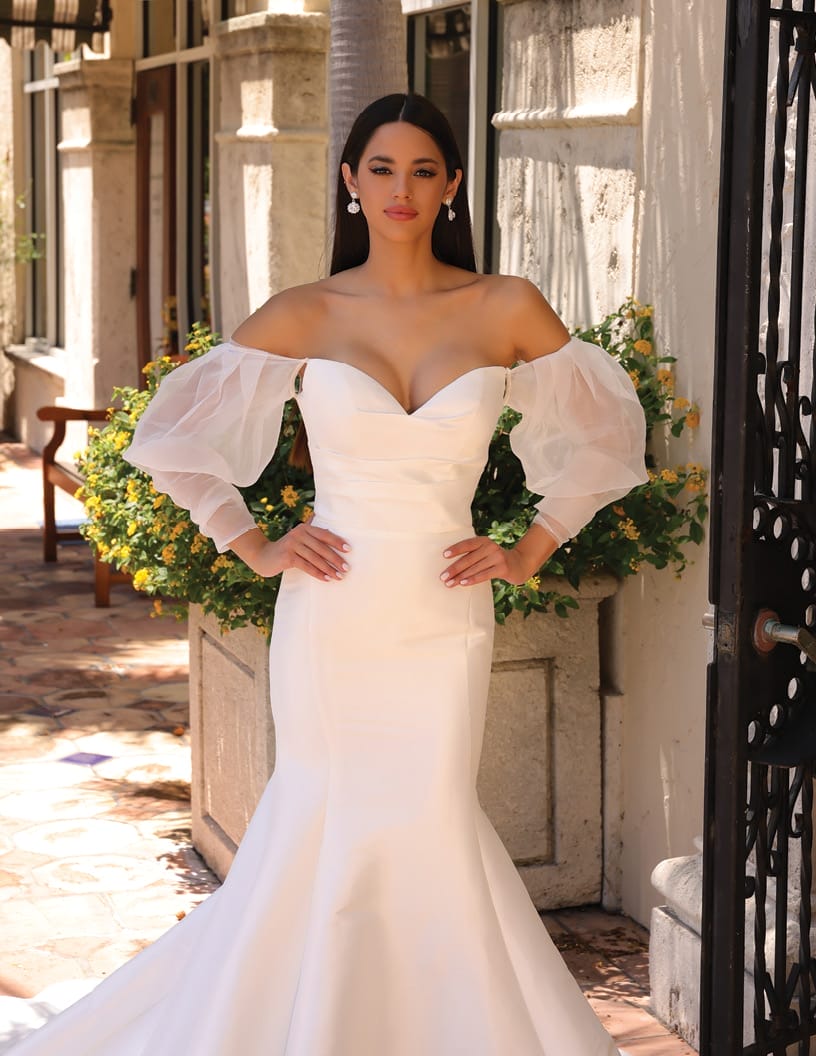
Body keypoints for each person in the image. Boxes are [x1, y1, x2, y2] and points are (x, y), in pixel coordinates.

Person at [5, 93, 646, 1055]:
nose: (402, 189)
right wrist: (254, 542)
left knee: (429, 813)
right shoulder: (306, 310)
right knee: (325, 816)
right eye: (381, 169)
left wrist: (529, 545)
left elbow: (608, 436)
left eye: (423, 170)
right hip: (333, 615)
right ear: (350, 182)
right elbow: (172, 440)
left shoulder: (503, 304)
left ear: (453, 185)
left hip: (444, 613)